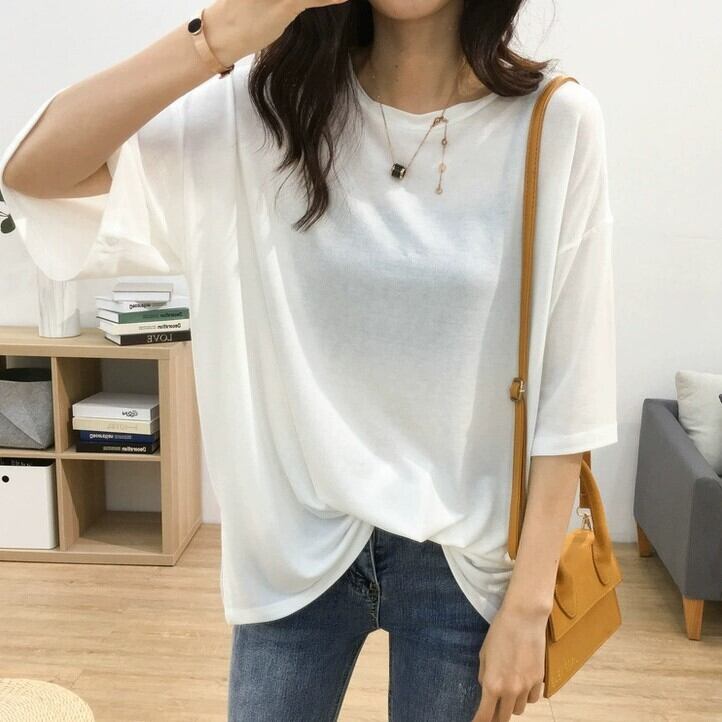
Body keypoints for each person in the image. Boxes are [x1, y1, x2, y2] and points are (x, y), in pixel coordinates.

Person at [0, 1, 618, 720]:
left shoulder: (555, 123)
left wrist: (531, 604)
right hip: (294, 543)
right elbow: (36, 172)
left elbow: (571, 387)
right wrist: (220, 36)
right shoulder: (264, 114)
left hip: (463, 560)